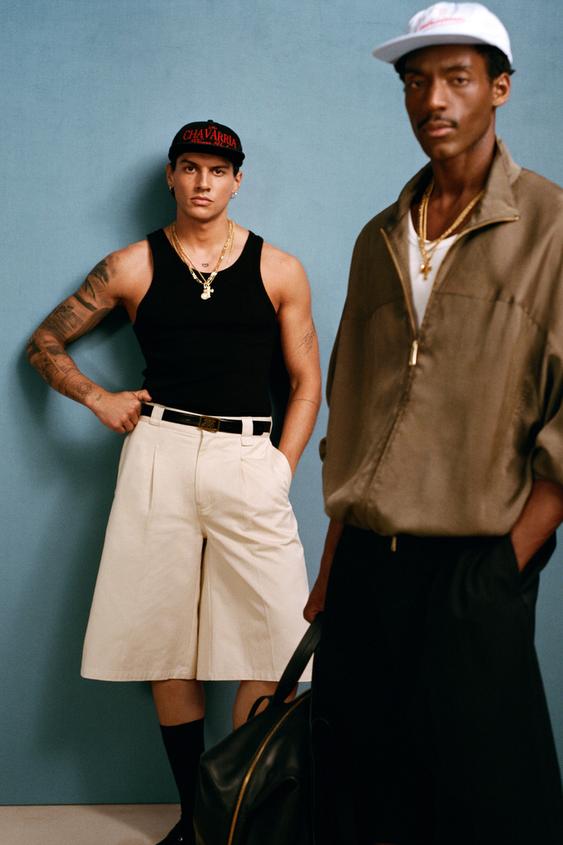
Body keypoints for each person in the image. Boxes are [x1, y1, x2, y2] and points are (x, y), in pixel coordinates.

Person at [305, 5, 563, 844]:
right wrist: (330, 570)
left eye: (456, 78)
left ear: (500, 88)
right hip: (365, 562)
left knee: (486, 801)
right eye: (415, 82)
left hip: (473, 560)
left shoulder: (551, 227)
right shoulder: (378, 237)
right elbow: (353, 412)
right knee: (357, 796)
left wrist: (504, 564)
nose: (433, 101)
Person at [27, 119, 321, 845]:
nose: (202, 182)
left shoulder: (279, 268)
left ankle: (236, 821)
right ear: (171, 175)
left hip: (249, 455)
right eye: (189, 167)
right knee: (165, 642)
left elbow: (307, 381)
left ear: (237, 181)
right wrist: (97, 398)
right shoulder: (131, 265)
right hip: (158, 450)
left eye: (217, 171)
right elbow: (45, 341)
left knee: (272, 637)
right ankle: (194, 822)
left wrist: (279, 467)